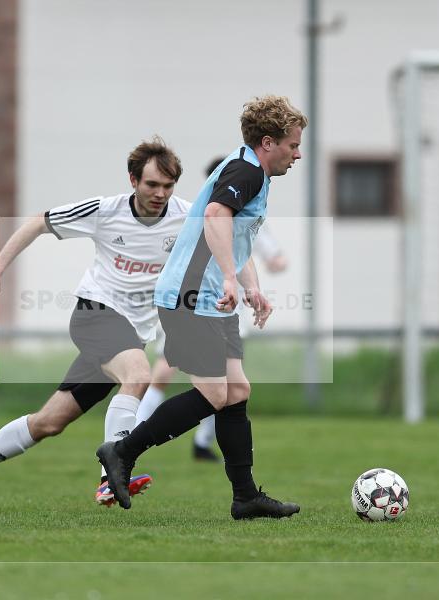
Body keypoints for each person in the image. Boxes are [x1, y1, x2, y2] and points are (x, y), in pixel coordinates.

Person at [0, 137, 190, 509]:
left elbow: (225, 235)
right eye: (152, 184)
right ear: (133, 180)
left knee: (49, 422)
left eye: (167, 186)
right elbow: (39, 222)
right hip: (95, 314)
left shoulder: (187, 216)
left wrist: (242, 286)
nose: (160, 193)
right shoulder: (105, 210)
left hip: (129, 334)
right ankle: (111, 475)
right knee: (138, 375)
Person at [97, 95, 307, 520]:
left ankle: (246, 497)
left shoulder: (251, 168)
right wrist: (230, 278)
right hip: (189, 297)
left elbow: (233, 234)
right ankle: (121, 451)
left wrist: (252, 287)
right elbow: (214, 216)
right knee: (215, 393)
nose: (297, 153)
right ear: (268, 142)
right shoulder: (246, 170)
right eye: (292, 144)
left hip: (211, 299)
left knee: (236, 392)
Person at [136, 158, 290, 462]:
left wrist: (255, 284)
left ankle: (204, 445)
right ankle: (128, 442)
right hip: (192, 302)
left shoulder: (248, 213)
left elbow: (251, 251)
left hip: (227, 310)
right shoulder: (206, 212)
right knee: (187, 380)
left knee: (229, 387)